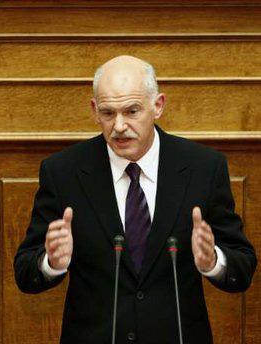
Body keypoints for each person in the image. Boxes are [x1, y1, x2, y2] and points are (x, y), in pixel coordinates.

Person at [14, 55, 257, 344]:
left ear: (158, 106)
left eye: (131, 111)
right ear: (94, 110)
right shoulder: (62, 172)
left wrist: (213, 261)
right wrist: (51, 262)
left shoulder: (203, 168)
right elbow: (26, 272)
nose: (118, 126)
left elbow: (242, 267)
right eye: (107, 113)